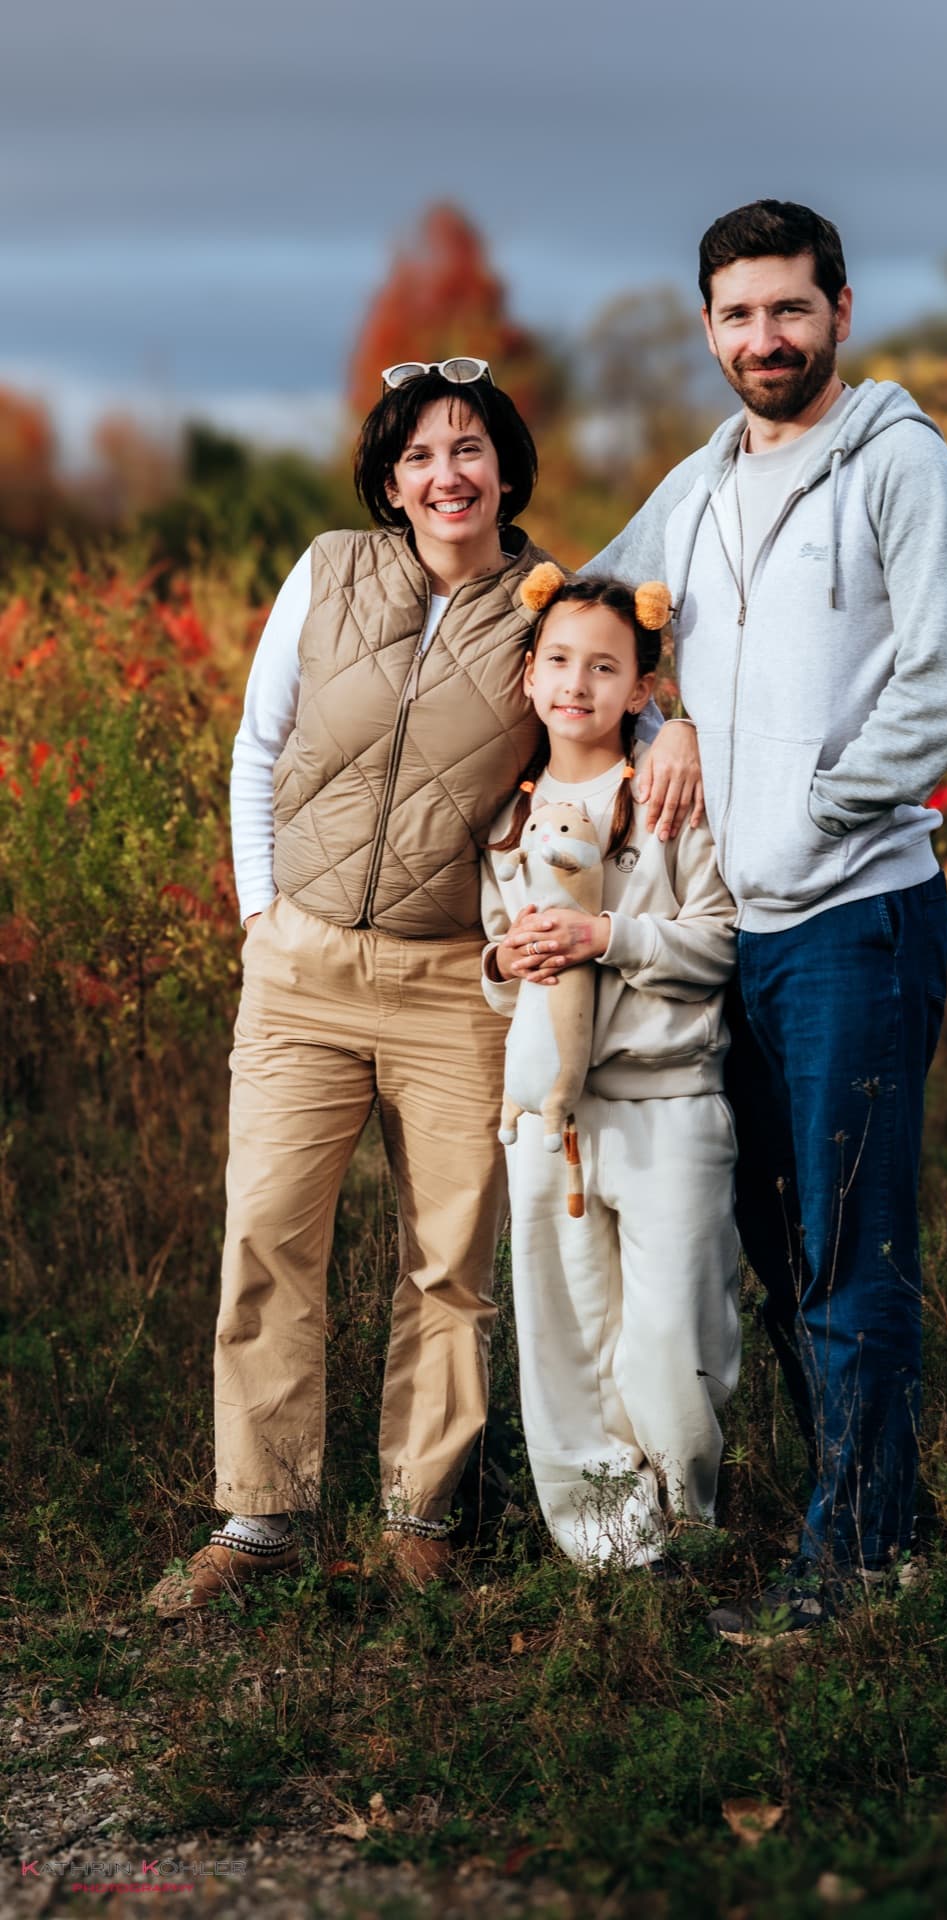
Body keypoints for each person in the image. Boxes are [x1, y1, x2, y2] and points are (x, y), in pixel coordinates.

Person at [145, 362, 701, 1616]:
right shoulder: (329, 569)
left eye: (469, 450)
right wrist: (256, 910)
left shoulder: (542, 602)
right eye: (418, 458)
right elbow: (259, 743)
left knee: (448, 1260)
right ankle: (259, 1518)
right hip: (301, 966)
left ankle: (423, 1515)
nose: (446, 477)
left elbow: (623, 694)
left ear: (507, 464)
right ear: (388, 481)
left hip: (458, 981)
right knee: (266, 1235)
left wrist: (686, 736)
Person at [587, 201, 947, 1636]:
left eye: (789, 310)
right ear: (706, 327)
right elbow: (591, 603)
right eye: (738, 315)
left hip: (853, 922)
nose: (764, 339)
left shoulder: (904, 471)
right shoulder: (693, 493)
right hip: (733, 938)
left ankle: (864, 1559)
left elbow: (943, 691)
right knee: (773, 1239)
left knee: (844, 1244)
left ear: (839, 312)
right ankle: (877, 1509)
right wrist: (668, 713)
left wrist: (805, 815)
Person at [480, 567, 740, 1569]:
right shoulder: (509, 814)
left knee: (672, 1339)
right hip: (549, 1119)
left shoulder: (671, 798)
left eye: (603, 667)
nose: (575, 683)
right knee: (568, 1343)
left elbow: (716, 945)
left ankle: (689, 1519)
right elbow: (500, 968)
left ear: (642, 688)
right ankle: (613, 1551)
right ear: (529, 677)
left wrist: (609, 936)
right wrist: (508, 959)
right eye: (556, 661)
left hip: (666, 1102)